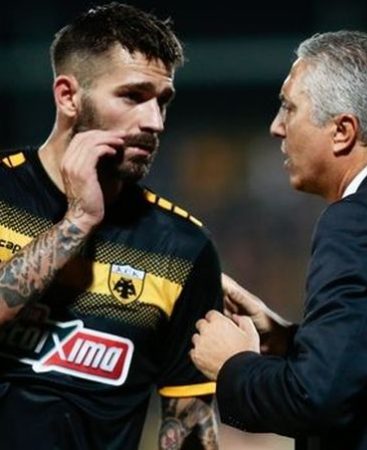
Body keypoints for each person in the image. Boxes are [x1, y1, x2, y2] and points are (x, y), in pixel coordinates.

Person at [190, 30, 367, 450]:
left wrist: (232, 365)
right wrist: (288, 339)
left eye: (289, 107)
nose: (276, 127)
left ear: (342, 130)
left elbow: (315, 399)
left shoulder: (361, 220)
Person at [0, 3, 222, 449]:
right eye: (133, 96)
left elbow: (190, 424)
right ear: (68, 96)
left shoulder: (182, 248)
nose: (154, 122)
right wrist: (78, 222)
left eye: (162, 102)